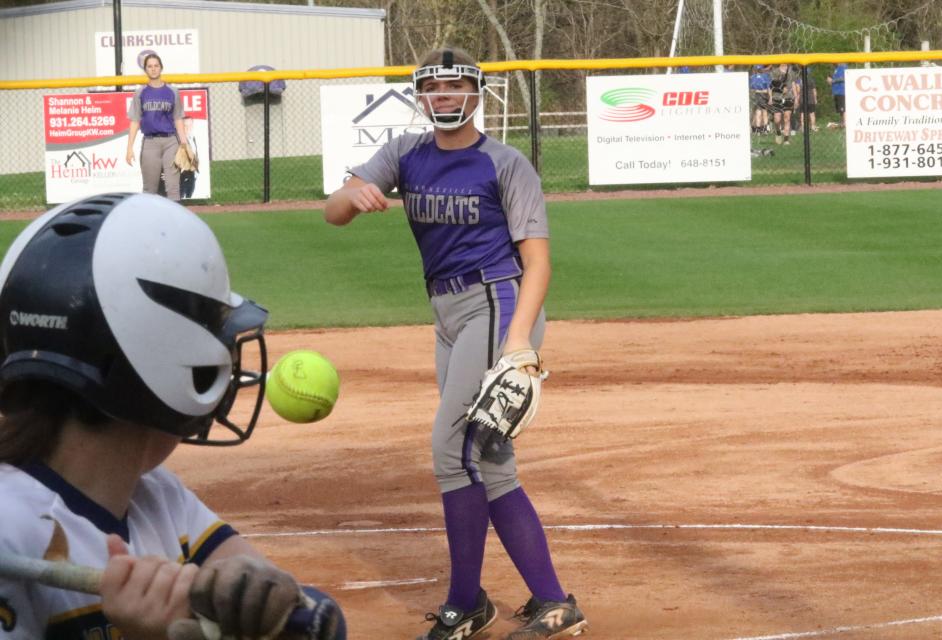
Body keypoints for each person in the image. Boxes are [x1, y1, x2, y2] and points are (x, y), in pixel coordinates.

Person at [324, 47, 588, 640]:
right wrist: (353, 196)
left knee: (450, 449)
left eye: (455, 87)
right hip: (446, 312)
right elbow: (332, 213)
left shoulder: (504, 163)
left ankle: (464, 603)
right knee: (489, 459)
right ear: (422, 96)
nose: (443, 97)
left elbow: (538, 261)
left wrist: (518, 339)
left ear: (476, 94)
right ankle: (551, 600)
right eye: (433, 88)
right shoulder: (405, 153)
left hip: (497, 305)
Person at [0, 193, 346, 640]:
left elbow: (315, 625)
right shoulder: (11, 529)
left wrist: (273, 598)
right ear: (159, 357)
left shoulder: (156, 497)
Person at [126, 53, 188, 201]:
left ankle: (175, 223)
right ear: (145, 70)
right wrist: (129, 148)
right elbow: (135, 121)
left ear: (161, 68)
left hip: (171, 142)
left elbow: (178, 118)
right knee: (149, 189)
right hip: (150, 142)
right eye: (150, 66)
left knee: (173, 187)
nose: (153, 69)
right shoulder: (140, 92)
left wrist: (184, 142)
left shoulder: (172, 91)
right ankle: (150, 222)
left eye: (156, 66)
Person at [769, 62, 798, 145]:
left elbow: (793, 84)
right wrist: (770, 97)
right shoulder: (775, 72)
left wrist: (795, 97)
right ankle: (778, 133)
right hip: (777, 97)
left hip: (788, 97)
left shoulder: (791, 72)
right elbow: (771, 85)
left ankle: (786, 139)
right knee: (777, 119)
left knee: (787, 118)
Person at [179, 115, 200, 199]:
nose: (188, 128)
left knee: (189, 197)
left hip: (192, 174)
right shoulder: (179, 140)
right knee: (182, 198)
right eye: (185, 126)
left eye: (190, 125)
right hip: (183, 174)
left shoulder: (192, 138)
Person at [749, 64, 771, 134]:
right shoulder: (754, 77)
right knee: (760, 112)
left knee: (762, 112)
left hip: (762, 95)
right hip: (758, 95)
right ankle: (760, 129)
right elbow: (751, 88)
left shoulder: (764, 76)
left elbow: (768, 88)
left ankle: (763, 128)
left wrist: (770, 97)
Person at [826, 63, 847, 127]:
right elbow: (832, 79)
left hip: (842, 91)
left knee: (843, 109)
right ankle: (843, 122)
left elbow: (844, 78)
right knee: (840, 110)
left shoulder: (844, 67)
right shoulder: (836, 69)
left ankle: (845, 123)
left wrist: (833, 81)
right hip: (836, 92)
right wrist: (829, 80)